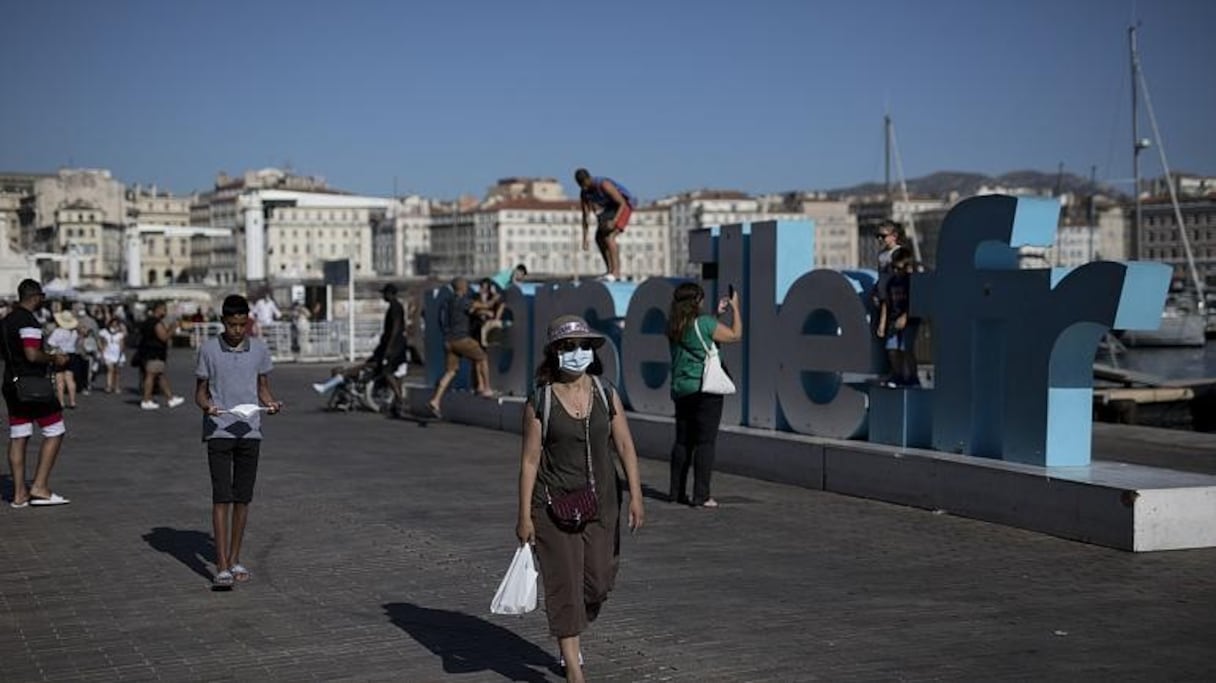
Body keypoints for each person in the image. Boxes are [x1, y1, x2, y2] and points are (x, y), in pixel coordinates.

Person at [516, 315, 644, 683]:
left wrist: (636, 495)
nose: (578, 353)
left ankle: (571, 625)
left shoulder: (605, 392)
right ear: (555, 351)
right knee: (564, 582)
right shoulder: (540, 399)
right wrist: (524, 516)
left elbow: (624, 445)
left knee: (598, 581)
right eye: (569, 347)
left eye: (584, 346)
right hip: (552, 505)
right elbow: (529, 460)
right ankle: (573, 663)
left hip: (602, 503)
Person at [194, 294, 282, 589]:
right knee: (222, 497)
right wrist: (207, 407)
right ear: (223, 322)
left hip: (250, 431)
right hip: (219, 430)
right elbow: (200, 393)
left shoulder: (259, 349)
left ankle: (234, 558)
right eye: (232, 325)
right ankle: (220, 566)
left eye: (242, 325)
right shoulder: (207, 349)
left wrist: (271, 405)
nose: (237, 331)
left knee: (243, 498)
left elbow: (263, 389)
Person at [666, 282, 743, 508]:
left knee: (682, 442)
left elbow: (695, 333)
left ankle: (675, 493)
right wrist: (735, 308)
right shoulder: (705, 323)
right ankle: (701, 495)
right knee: (705, 442)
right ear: (696, 301)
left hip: (681, 390)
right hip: (705, 389)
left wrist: (715, 315)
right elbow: (735, 335)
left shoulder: (673, 325)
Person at [2, 279, 71, 507]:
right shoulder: (28, 321)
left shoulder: (7, 320)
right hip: (32, 384)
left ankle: (19, 494)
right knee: (55, 429)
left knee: (19, 435)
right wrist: (54, 358)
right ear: (36, 297)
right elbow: (32, 354)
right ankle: (40, 486)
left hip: (11, 383)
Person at [426, 277, 492, 417]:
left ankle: (436, 400)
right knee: (482, 357)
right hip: (462, 339)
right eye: (467, 285)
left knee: (450, 372)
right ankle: (486, 388)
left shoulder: (449, 302)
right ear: (462, 287)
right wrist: (495, 297)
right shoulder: (464, 301)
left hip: (448, 341)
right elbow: (485, 306)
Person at [576, 169, 636, 283]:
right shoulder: (584, 193)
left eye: (584, 184)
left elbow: (622, 203)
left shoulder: (604, 185)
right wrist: (585, 239)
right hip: (609, 209)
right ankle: (609, 271)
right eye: (580, 185)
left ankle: (616, 272)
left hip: (624, 206)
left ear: (589, 179)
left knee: (609, 236)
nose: (584, 188)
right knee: (599, 238)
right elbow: (585, 217)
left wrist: (614, 221)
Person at [876, 247, 920, 387]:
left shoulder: (911, 282)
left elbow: (915, 302)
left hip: (909, 321)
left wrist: (905, 317)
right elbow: (886, 304)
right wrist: (883, 323)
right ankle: (897, 375)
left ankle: (913, 378)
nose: (895, 271)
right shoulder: (891, 282)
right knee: (892, 349)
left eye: (898, 268)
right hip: (893, 320)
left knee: (906, 349)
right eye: (893, 268)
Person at [370, 283, 409, 415]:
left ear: (390, 294)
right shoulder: (395, 306)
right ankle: (397, 403)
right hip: (398, 344)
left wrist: (389, 347)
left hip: (395, 345)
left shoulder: (395, 307)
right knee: (397, 373)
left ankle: (399, 399)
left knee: (387, 372)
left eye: (384, 294)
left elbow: (396, 327)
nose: (383, 296)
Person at [138, 302, 185, 410]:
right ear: (158, 309)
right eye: (164, 309)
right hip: (154, 352)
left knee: (159, 375)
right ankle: (146, 400)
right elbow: (164, 337)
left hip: (148, 351)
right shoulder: (156, 323)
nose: (165, 312)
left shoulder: (147, 321)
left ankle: (170, 398)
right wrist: (173, 328)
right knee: (151, 375)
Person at [47, 311, 80, 409]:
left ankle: (61, 402)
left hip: (60, 355)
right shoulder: (74, 332)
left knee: (59, 379)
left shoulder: (58, 331)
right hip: (71, 355)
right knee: (70, 379)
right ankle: (72, 401)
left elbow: (51, 343)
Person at [98, 316, 125, 394]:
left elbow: (122, 344)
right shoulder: (104, 332)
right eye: (113, 323)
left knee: (117, 371)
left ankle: (116, 386)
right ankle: (108, 386)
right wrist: (101, 348)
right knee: (110, 369)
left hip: (117, 352)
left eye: (116, 324)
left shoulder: (120, 333)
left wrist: (121, 352)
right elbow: (99, 339)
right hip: (108, 352)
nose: (114, 325)